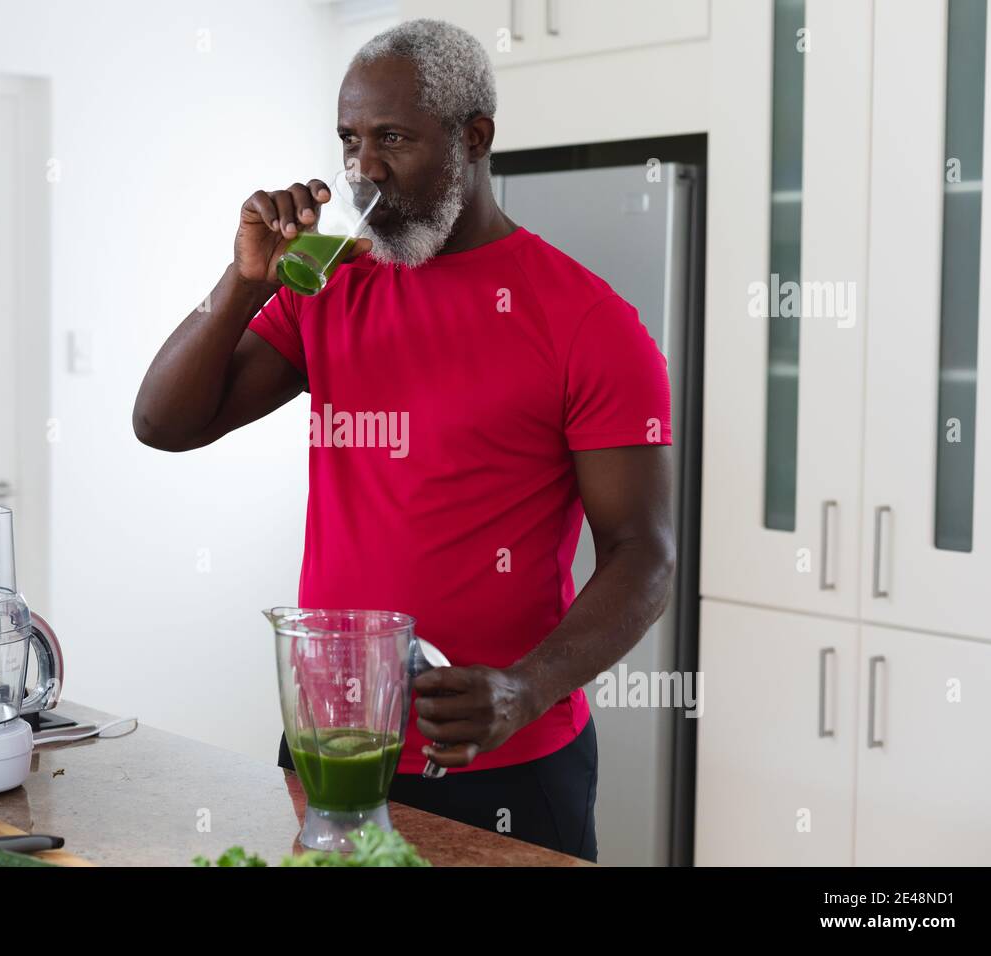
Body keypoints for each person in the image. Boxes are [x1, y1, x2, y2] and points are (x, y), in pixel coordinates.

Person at [132, 19, 675, 861]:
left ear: (475, 138)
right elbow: (164, 424)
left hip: (506, 761)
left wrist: (525, 690)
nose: (363, 169)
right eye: (349, 139)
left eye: (392, 138)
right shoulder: (333, 287)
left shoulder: (589, 323)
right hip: (332, 748)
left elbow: (646, 553)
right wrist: (242, 284)